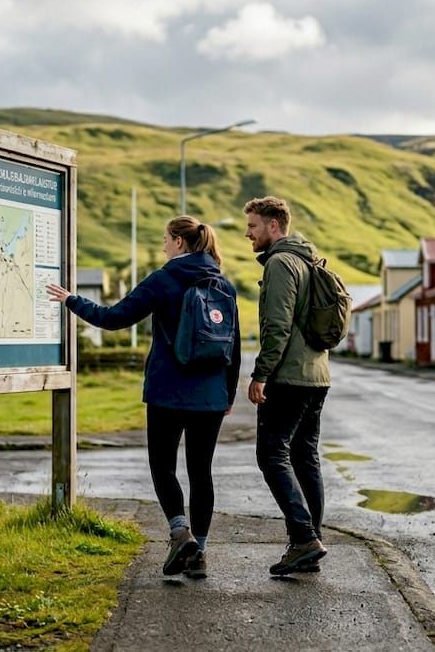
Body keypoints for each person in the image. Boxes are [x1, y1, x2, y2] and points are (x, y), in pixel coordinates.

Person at [45, 215, 241, 579]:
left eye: (166, 239)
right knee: (201, 472)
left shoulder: (164, 279)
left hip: (168, 391)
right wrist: (228, 393)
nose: (164, 245)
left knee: (163, 466)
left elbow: (114, 317)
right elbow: (235, 345)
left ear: (179, 243)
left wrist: (71, 300)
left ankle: (180, 533)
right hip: (211, 395)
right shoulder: (224, 285)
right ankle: (199, 551)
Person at [242, 196, 331, 576]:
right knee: (304, 456)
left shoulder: (281, 263)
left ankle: (303, 539)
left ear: (274, 226)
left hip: (290, 377)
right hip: (317, 375)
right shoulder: (308, 260)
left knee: (271, 454)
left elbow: (276, 327)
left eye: (253, 226)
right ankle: (310, 541)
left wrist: (260, 374)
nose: (248, 233)